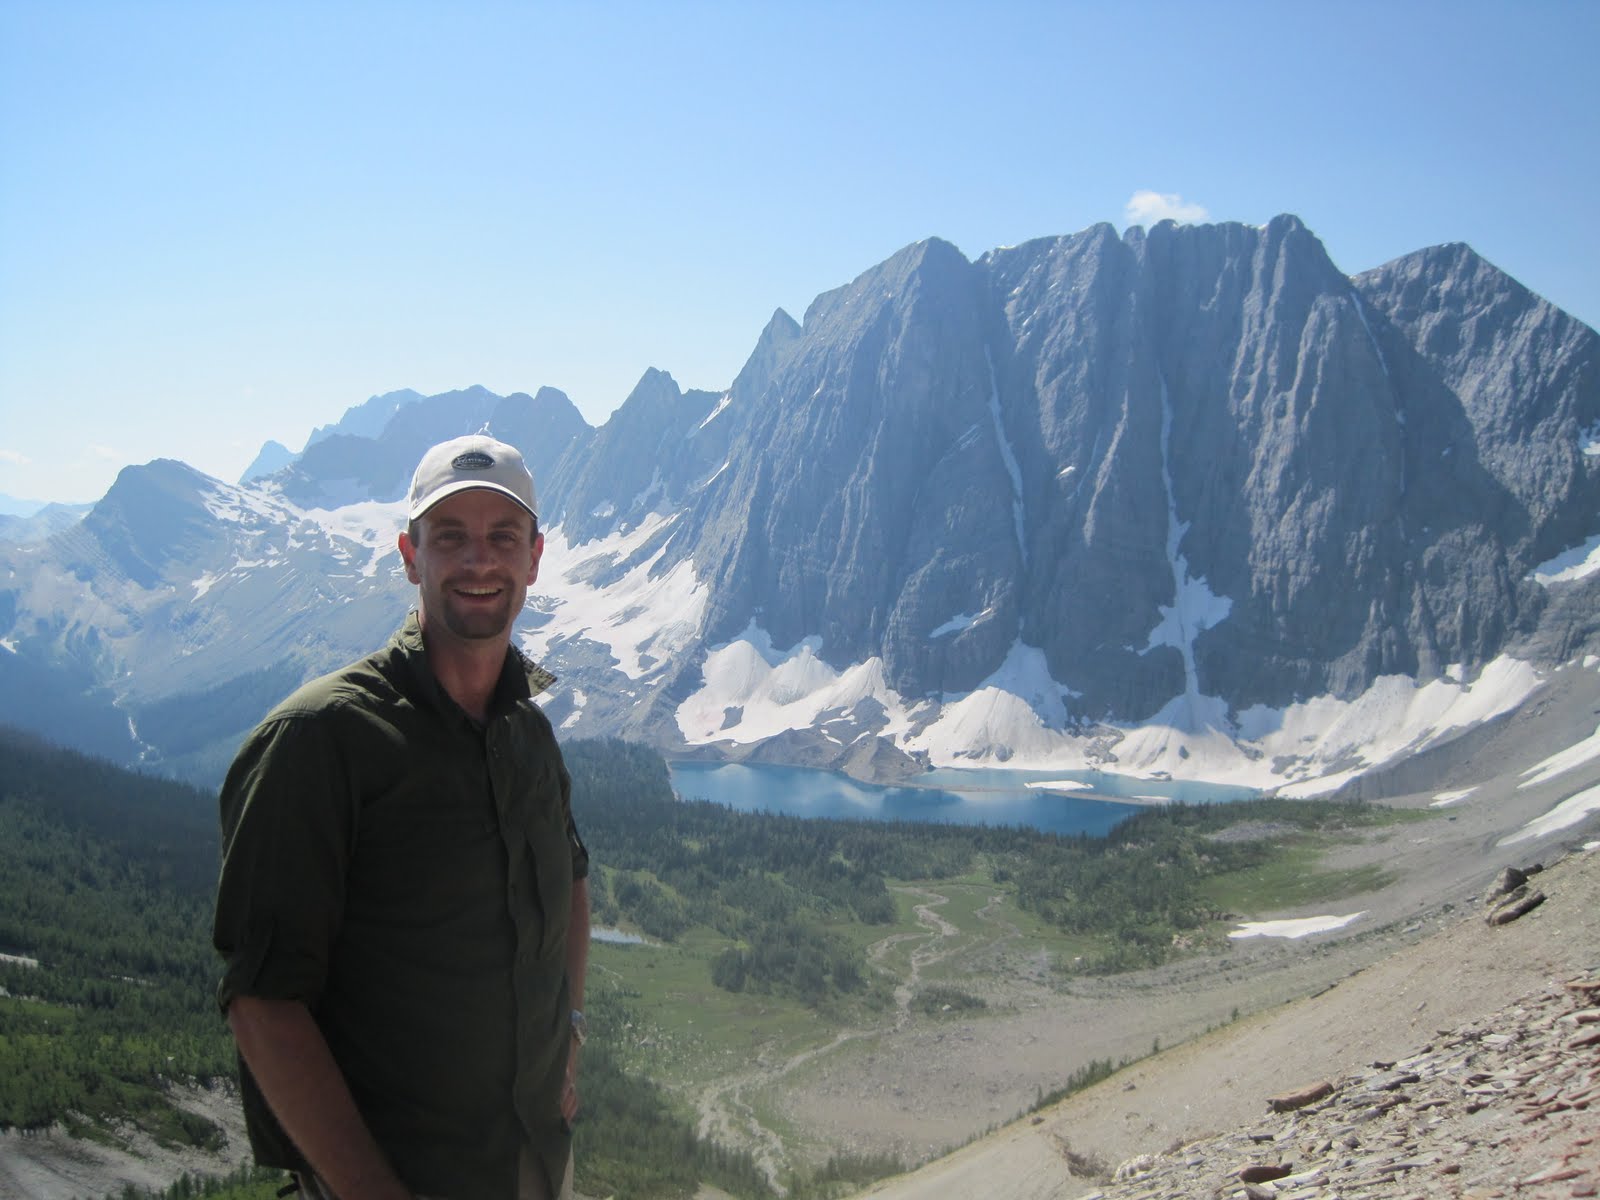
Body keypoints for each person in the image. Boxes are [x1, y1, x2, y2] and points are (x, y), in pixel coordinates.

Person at [213, 434, 590, 1200]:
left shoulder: (528, 733)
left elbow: (572, 885)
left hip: (533, 1170)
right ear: (410, 555)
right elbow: (263, 1003)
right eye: (449, 537)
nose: (479, 561)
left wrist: (569, 1035)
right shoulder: (323, 740)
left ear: (535, 557)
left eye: (501, 537)